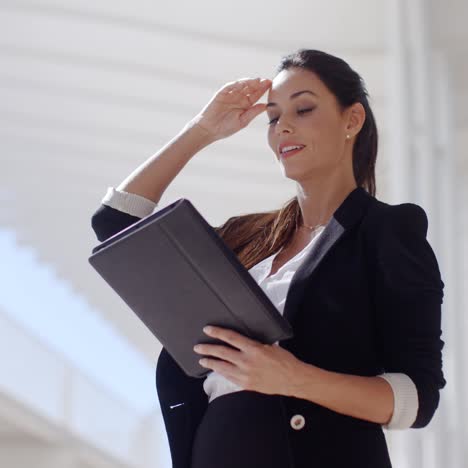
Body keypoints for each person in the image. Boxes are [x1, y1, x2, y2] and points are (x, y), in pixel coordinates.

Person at [90, 49, 446, 468]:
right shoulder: (245, 237)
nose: (284, 127)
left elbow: (417, 399)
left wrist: (294, 379)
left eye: (304, 108)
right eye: (273, 117)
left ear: (352, 120)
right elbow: (115, 224)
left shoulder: (386, 231)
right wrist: (202, 130)